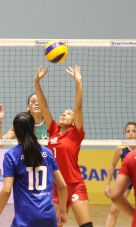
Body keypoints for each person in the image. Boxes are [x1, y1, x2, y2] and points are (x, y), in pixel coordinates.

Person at [34, 65, 94, 227]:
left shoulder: (76, 133)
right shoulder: (53, 130)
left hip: (74, 185)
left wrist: (78, 83)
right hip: (55, 186)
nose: (63, 114)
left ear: (74, 121)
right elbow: (44, 107)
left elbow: (78, 108)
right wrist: (37, 83)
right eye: (63, 112)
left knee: (86, 225)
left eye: (68, 113)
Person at [0, 112, 67, 227]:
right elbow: (62, 186)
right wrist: (62, 211)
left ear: (14, 131)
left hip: (25, 220)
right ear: (34, 130)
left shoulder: (11, 155)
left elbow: (6, 190)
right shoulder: (48, 153)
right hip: (49, 219)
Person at [103, 121, 136, 227]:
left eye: (134, 131)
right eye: (128, 131)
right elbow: (112, 164)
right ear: (125, 134)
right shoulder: (121, 148)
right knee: (114, 211)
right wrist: (107, 184)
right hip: (127, 180)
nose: (130, 133)